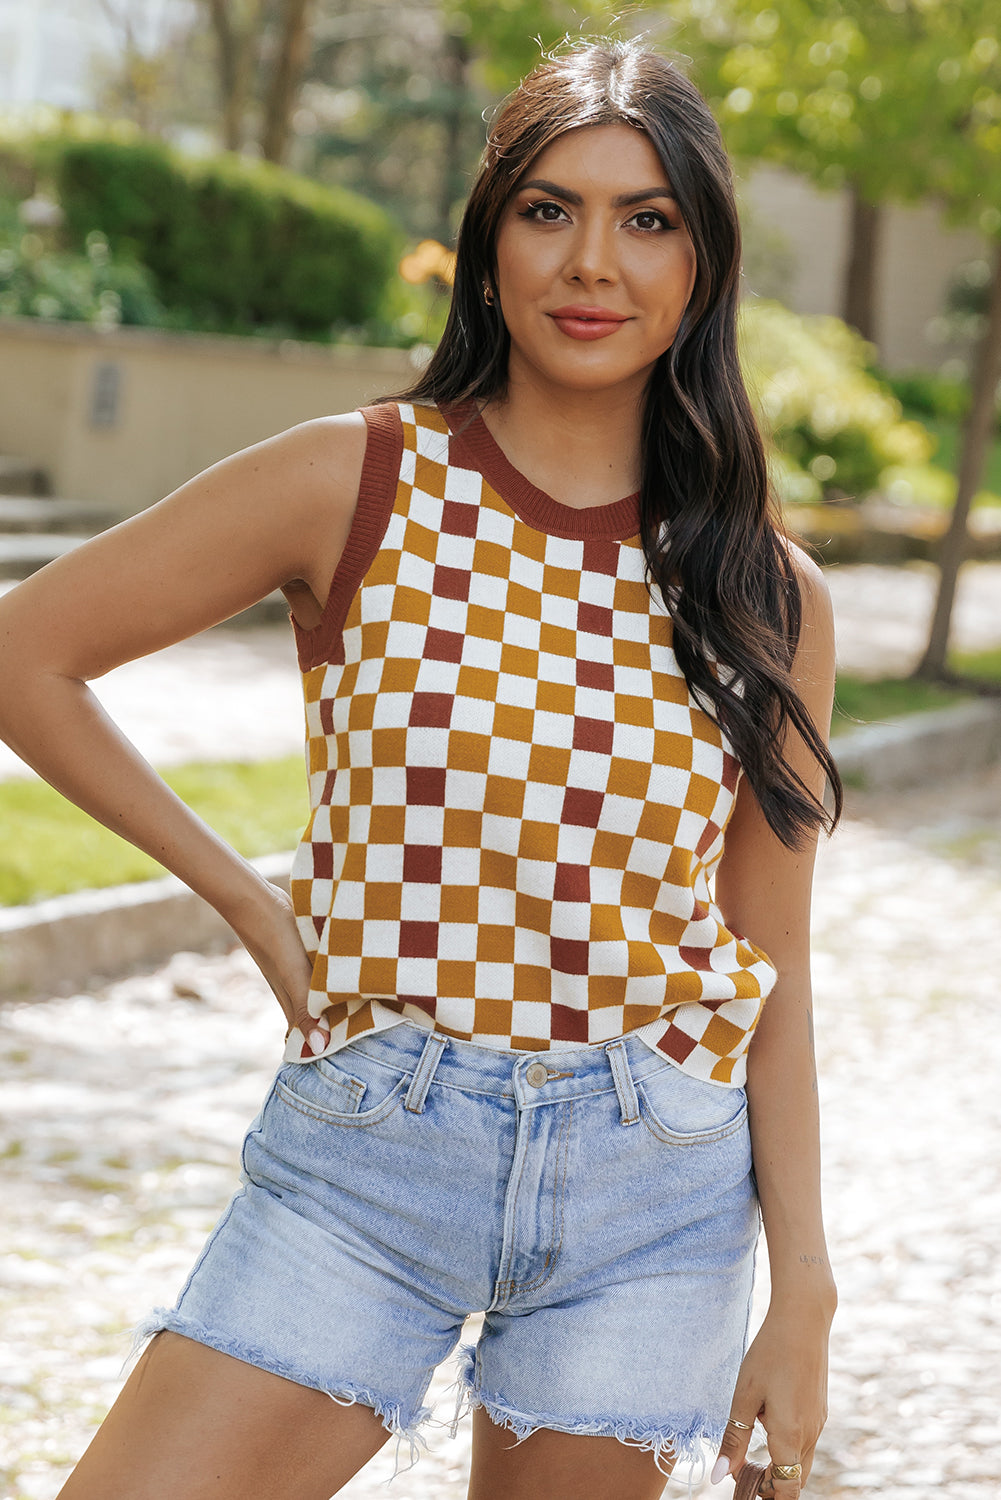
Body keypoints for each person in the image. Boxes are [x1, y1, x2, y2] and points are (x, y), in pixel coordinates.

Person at [0, 38, 841, 1500]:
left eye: (646, 220)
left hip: (653, 1187)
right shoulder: (361, 479)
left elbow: (771, 958)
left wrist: (805, 1293)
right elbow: (28, 655)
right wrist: (259, 912)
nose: (592, 262)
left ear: (702, 262)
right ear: (487, 238)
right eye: (547, 210)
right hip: (369, 1161)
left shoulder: (766, 592)